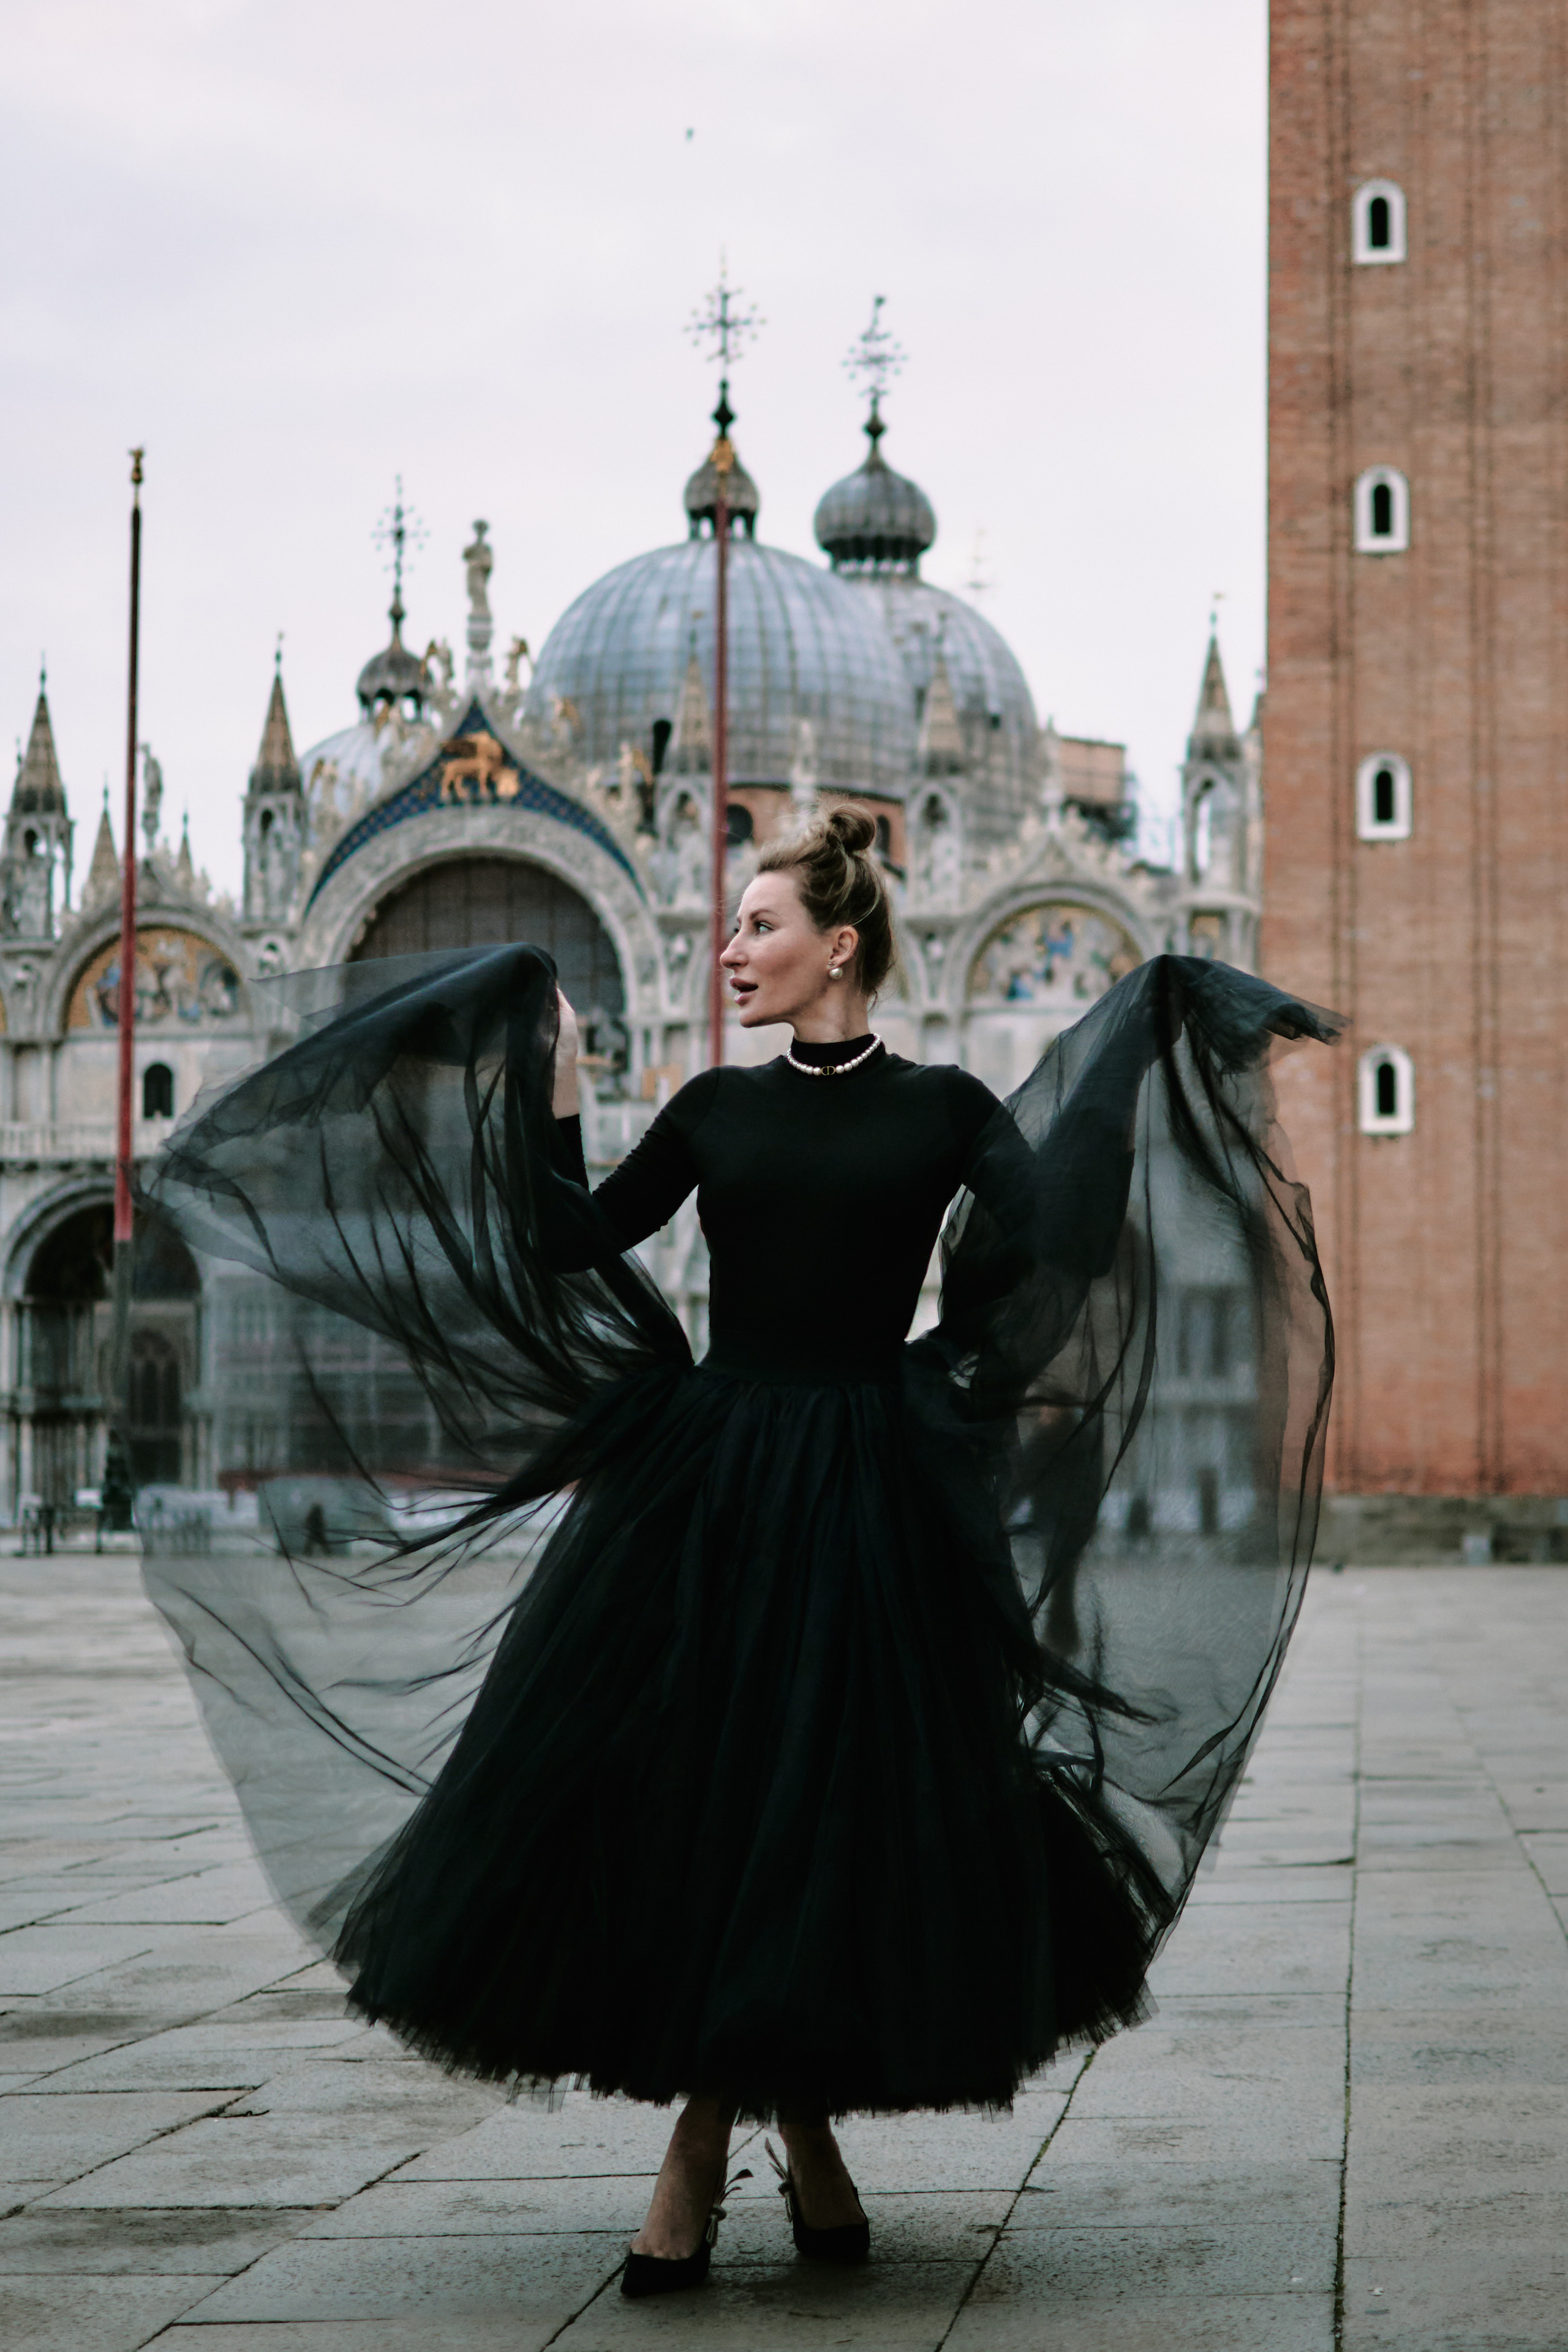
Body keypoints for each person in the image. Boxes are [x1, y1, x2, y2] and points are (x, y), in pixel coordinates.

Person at [142, 806, 1339, 2300]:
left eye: (758, 928)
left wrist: (1136, 1068)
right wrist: (559, 1100)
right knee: (717, 1810)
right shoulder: (711, 1104)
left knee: (819, 1812)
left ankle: (699, 2155)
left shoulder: (949, 1107)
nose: (730, 952)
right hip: (709, 1487)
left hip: (872, 1487)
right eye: (729, 930)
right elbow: (571, 1243)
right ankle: (790, 2149)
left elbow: (1052, 1256)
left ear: (840, 947)